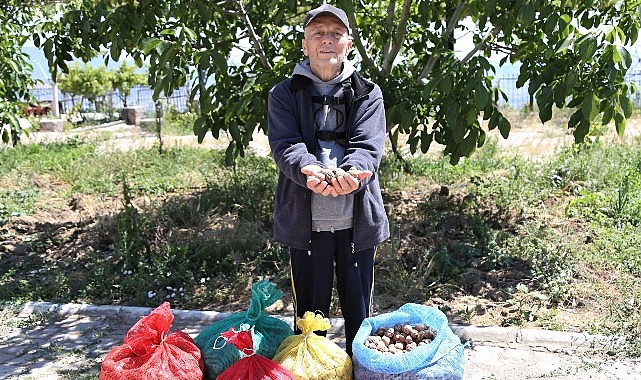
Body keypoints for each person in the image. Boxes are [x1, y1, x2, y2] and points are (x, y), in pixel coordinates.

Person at [267, 3, 389, 356]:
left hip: (356, 223)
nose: (327, 41)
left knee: (360, 319)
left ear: (348, 44)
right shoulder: (283, 94)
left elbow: (369, 146)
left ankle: (360, 369)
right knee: (309, 319)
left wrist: (353, 174)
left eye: (336, 34)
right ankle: (312, 371)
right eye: (318, 33)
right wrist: (308, 170)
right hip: (306, 225)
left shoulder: (369, 93)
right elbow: (286, 145)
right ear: (304, 45)